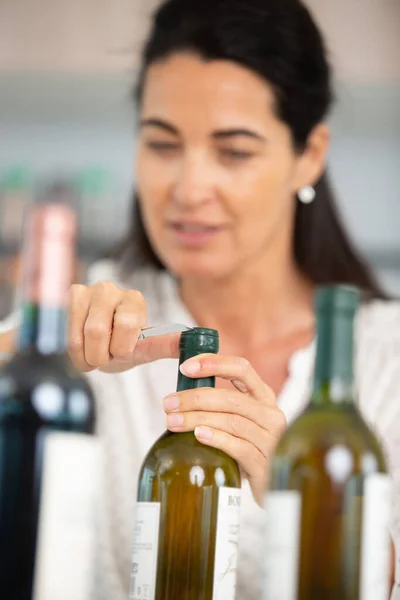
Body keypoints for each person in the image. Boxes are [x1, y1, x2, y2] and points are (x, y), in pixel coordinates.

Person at [1, 0, 399, 598]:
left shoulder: (386, 360)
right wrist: (25, 361)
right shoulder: (86, 329)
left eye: (234, 151)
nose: (187, 188)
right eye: (162, 144)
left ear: (309, 155)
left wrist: (312, 495)